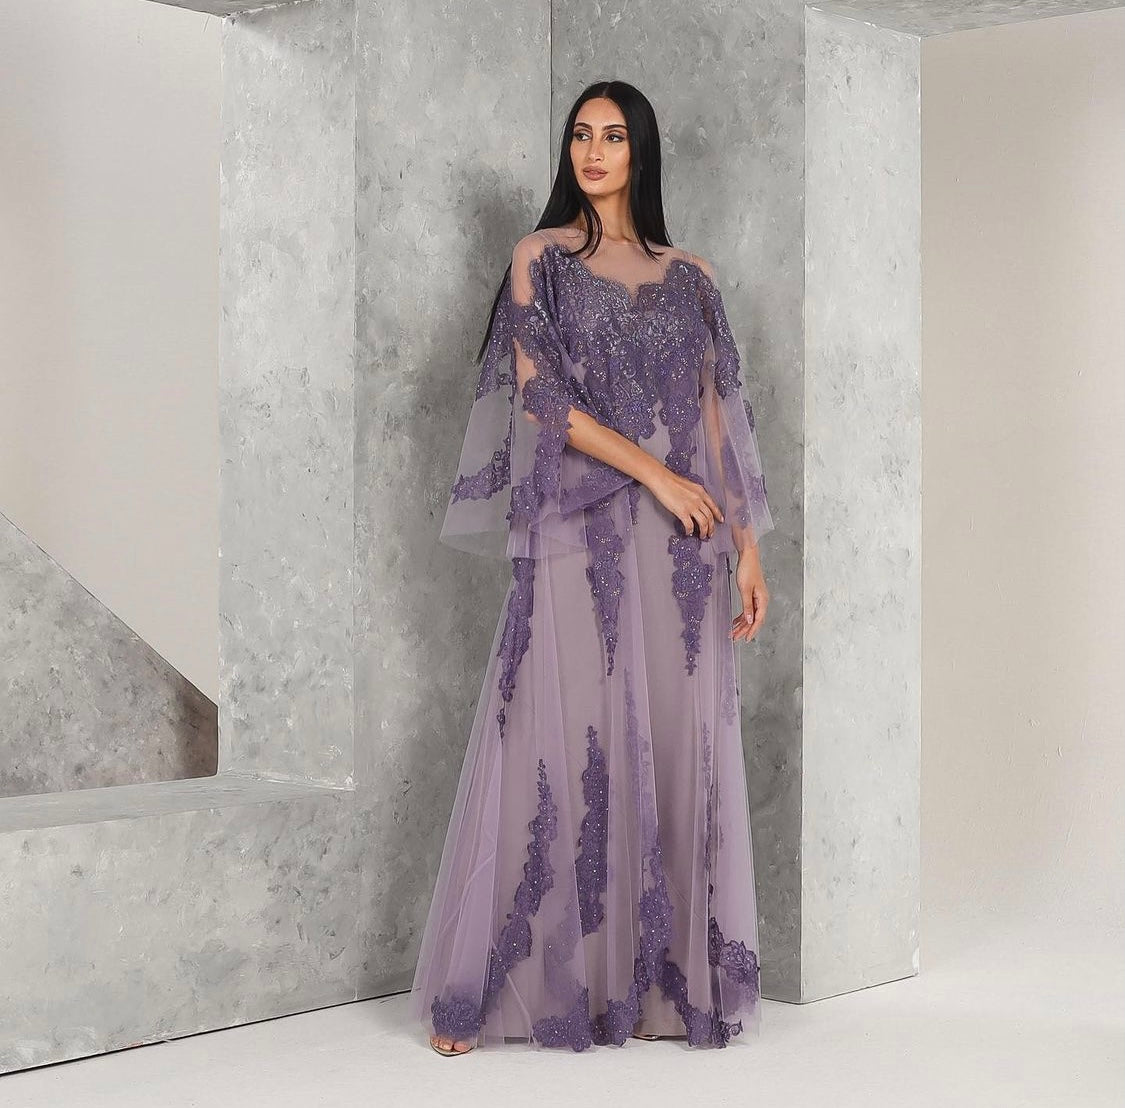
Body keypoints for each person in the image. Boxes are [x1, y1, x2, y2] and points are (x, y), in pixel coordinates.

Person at [409, 79, 775, 1055]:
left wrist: (747, 548)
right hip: (582, 532)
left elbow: (716, 418)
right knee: (554, 738)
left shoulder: (693, 276)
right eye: (580, 134)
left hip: (686, 547)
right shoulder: (541, 258)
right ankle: (498, 992)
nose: (594, 150)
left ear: (640, 152)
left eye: (613, 136)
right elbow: (542, 401)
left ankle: (648, 991)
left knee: (675, 743)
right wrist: (655, 474)